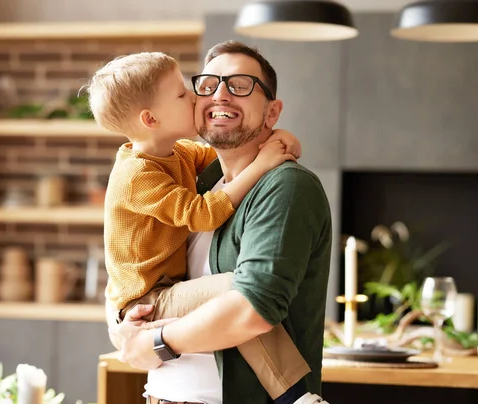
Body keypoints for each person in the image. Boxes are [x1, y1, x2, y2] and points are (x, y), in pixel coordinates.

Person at [87, 52, 318, 403]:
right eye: (190, 91)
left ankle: (294, 396)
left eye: (239, 86)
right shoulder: (138, 175)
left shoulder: (182, 155)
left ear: (271, 110)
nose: (202, 97)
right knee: (230, 288)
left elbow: (231, 152)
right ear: (151, 119)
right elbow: (203, 215)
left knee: (237, 292)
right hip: (150, 304)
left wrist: (274, 137)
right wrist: (120, 326)